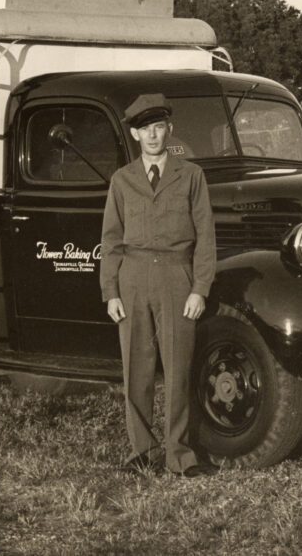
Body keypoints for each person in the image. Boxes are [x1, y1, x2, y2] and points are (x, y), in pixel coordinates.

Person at [100, 93, 217, 478]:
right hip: (132, 279)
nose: (153, 135)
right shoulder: (122, 180)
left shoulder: (191, 176)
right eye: (145, 129)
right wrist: (111, 292)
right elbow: (112, 239)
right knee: (137, 369)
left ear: (169, 129)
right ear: (135, 134)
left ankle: (179, 455)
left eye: (159, 127)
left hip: (175, 278)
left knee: (178, 368)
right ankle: (142, 453)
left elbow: (205, 237)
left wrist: (199, 288)